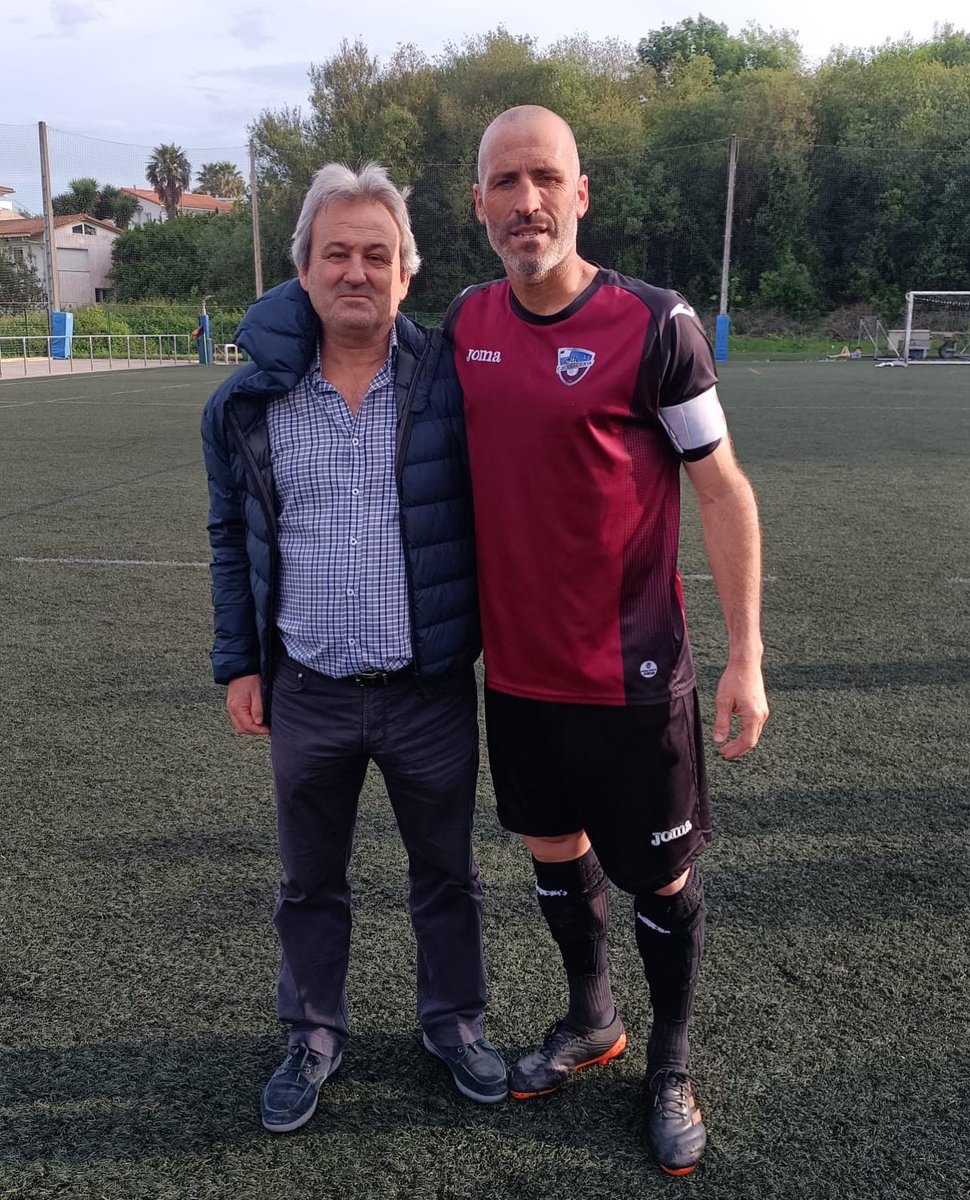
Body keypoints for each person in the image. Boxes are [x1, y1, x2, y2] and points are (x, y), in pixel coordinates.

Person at [446, 106, 768, 1176]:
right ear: (478, 203)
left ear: (580, 194)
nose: (525, 200)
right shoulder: (465, 324)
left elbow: (720, 491)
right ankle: (592, 1018)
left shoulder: (655, 323)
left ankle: (667, 1059)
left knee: (661, 883)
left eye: (544, 177)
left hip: (634, 679)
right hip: (519, 676)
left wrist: (746, 654)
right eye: (505, 181)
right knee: (551, 851)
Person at [201, 162, 508, 1133]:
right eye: (336, 252)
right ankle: (313, 1031)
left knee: (446, 874)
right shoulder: (247, 405)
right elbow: (227, 536)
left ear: (406, 274)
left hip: (426, 689)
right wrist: (239, 662)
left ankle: (453, 1022)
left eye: (378, 254)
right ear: (303, 268)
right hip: (310, 689)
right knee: (307, 881)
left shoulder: (456, 387)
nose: (357, 271)